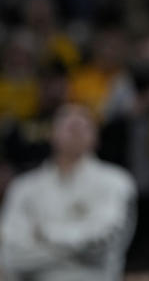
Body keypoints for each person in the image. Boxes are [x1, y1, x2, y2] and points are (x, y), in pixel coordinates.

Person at [0, 103, 137, 280]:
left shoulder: (117, 182)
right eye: (69, 125)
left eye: (84, 125)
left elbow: (101, 247)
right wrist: (76, 246)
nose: (76, 130)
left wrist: (43, 233)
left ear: (96, 137)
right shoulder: (23, 187)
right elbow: (10, 254)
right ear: (51, 134)